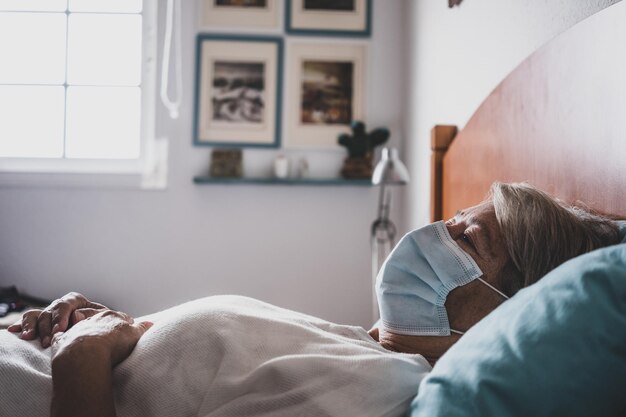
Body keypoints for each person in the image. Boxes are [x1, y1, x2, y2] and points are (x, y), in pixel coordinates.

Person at [5, 182, 620, 417]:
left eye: (467, 238)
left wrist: (80, 357)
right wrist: (93, 323)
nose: (429, 235)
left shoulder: (377, 394)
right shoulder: (357, 349)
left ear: (505, 310)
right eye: (450, 218)